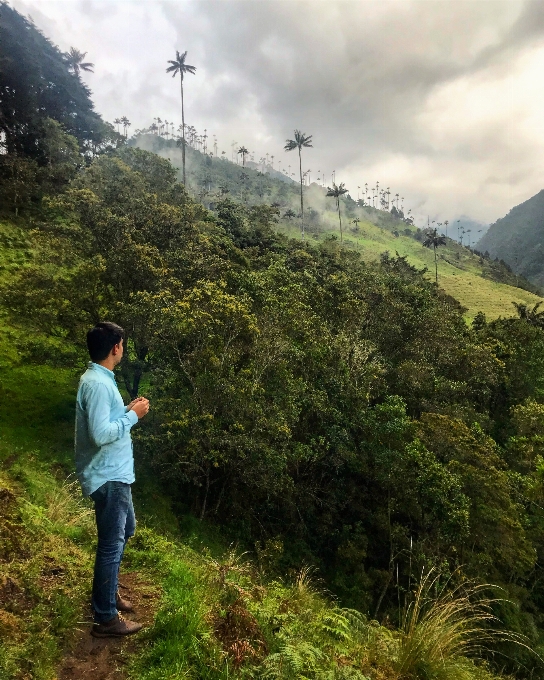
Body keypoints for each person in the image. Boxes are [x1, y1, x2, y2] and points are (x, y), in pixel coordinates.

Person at [75, 322, 149, 638]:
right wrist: (134, 416)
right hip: (108, 476)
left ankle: (108, 594)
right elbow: (101, 434)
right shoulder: (98, 384)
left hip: (115, 473)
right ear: (116, 347)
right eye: (123, 344)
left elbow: (105, 421)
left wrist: (125, 409)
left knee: (125, 530)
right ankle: (105, 617)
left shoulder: (100, 380)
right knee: (111, 544)